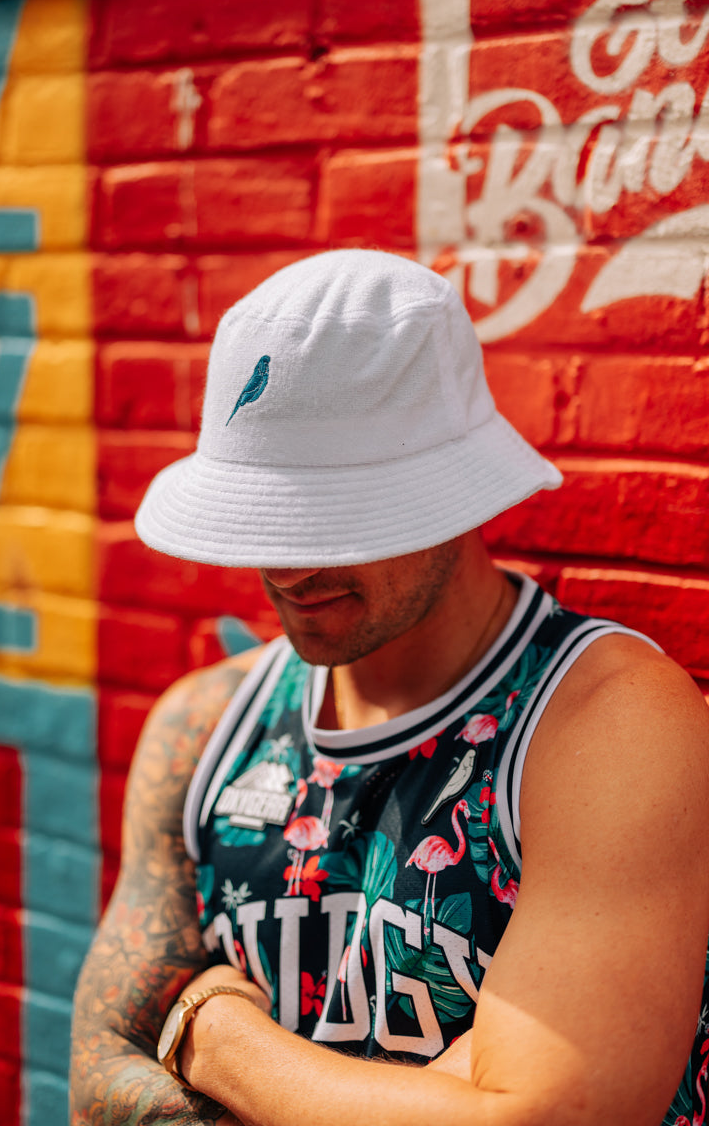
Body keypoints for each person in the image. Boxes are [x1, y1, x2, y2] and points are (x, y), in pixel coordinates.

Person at [70, 250, 709, 1126]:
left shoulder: (602, 725)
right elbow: (98, 1077)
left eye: (335, 516)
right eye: (263, 514)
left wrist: (213, 1031)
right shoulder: (206, 725)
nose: (289, 567)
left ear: (454, 490)